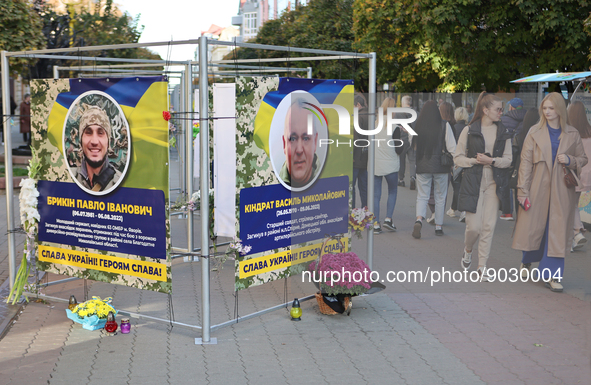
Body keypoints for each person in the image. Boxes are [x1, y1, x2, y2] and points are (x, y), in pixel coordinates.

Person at [512, 93, 588, 292]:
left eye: (551, 108)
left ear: (560, 110)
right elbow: (525, 163)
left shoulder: (572, 133)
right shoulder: (534, 131)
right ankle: (528, 260)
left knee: (557, 231)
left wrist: (570, 160)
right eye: (544, 108)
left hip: (562, 190)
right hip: (537, 187)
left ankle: (552, 275)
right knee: (536, 227)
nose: (547, 112)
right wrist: (522, 190)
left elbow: (583, 159)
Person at [454, 94, 512, 280]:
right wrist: (474, 160)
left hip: (494, 183)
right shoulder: (469, 130)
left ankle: (482, 267)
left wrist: (492, 160)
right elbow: (457, 157)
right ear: (486, 110)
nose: (501, 112)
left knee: (489, 225)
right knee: (474, 227)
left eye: (501, 109)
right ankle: (468, 249)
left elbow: (509, 160)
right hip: (473, 180)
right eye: (498, 109)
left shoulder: (504, 132)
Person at [412, 100, 456, 238]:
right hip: (441, 166)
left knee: (422, 196)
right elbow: (452, 148)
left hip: (422, 165)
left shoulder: (418, 126)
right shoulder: (445, 125)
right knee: (440, 196)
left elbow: (413, 146)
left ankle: (419, 219)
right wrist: (455, 164)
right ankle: (438, 226)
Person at [373, 97, 403, 233]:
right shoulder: (395, 127)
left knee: (375, 195)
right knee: (392, 191)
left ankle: (375, 224)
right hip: (391, 165)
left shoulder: (374, 124)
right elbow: (399, 149)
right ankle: (388, 219)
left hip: (376, 164)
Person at [75, 106, 122, 192]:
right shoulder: (66, 179)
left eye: (100, 133)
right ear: (81, 140)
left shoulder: (123, 184)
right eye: (88, 133)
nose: (94, 141)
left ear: (108, 141)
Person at [566, 101, 591, 250]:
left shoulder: (570, 133)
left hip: (575, 173)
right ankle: (577, 230)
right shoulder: (589, 131)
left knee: (570, 204)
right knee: (573, 203)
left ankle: (576, 233)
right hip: (588, 174)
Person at [498, 97, 528, 220]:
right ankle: (522, 211)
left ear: (511, 107)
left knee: (507, 182)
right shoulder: (529, 118)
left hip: (509, 154)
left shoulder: (503, 119)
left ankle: (508, 212)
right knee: (522, 181)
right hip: (524, 155)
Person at [279, 99, 320, 188]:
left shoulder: (330, 183)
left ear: (315, 142)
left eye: (306, 138)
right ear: (284, 144)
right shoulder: (271, 188)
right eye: (292, 139)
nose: (299, 150)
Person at [447, 106, 470, 218]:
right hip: (466, 160)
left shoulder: (453, 128)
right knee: (464, 186)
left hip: (456, 160)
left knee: (456, 185)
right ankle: (455, 208)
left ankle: (456, 209)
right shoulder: (469, 128)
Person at [398, 95, 417, 190]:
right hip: (413, 140)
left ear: (403, 103)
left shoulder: (398, 114)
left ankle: (401, 179)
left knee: (401, 160)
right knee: (412, 160)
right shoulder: (416, 113)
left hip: (402, 139)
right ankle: (413, 177)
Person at [352, 94, 368, 208]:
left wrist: (351, 154)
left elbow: (355, 138)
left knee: (351, 187)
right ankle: (365, 209)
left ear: (358, 105)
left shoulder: (358, 117)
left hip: (356, 157)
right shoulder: (372, 116)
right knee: (364, 187)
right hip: (366, 157)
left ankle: (352, 211)